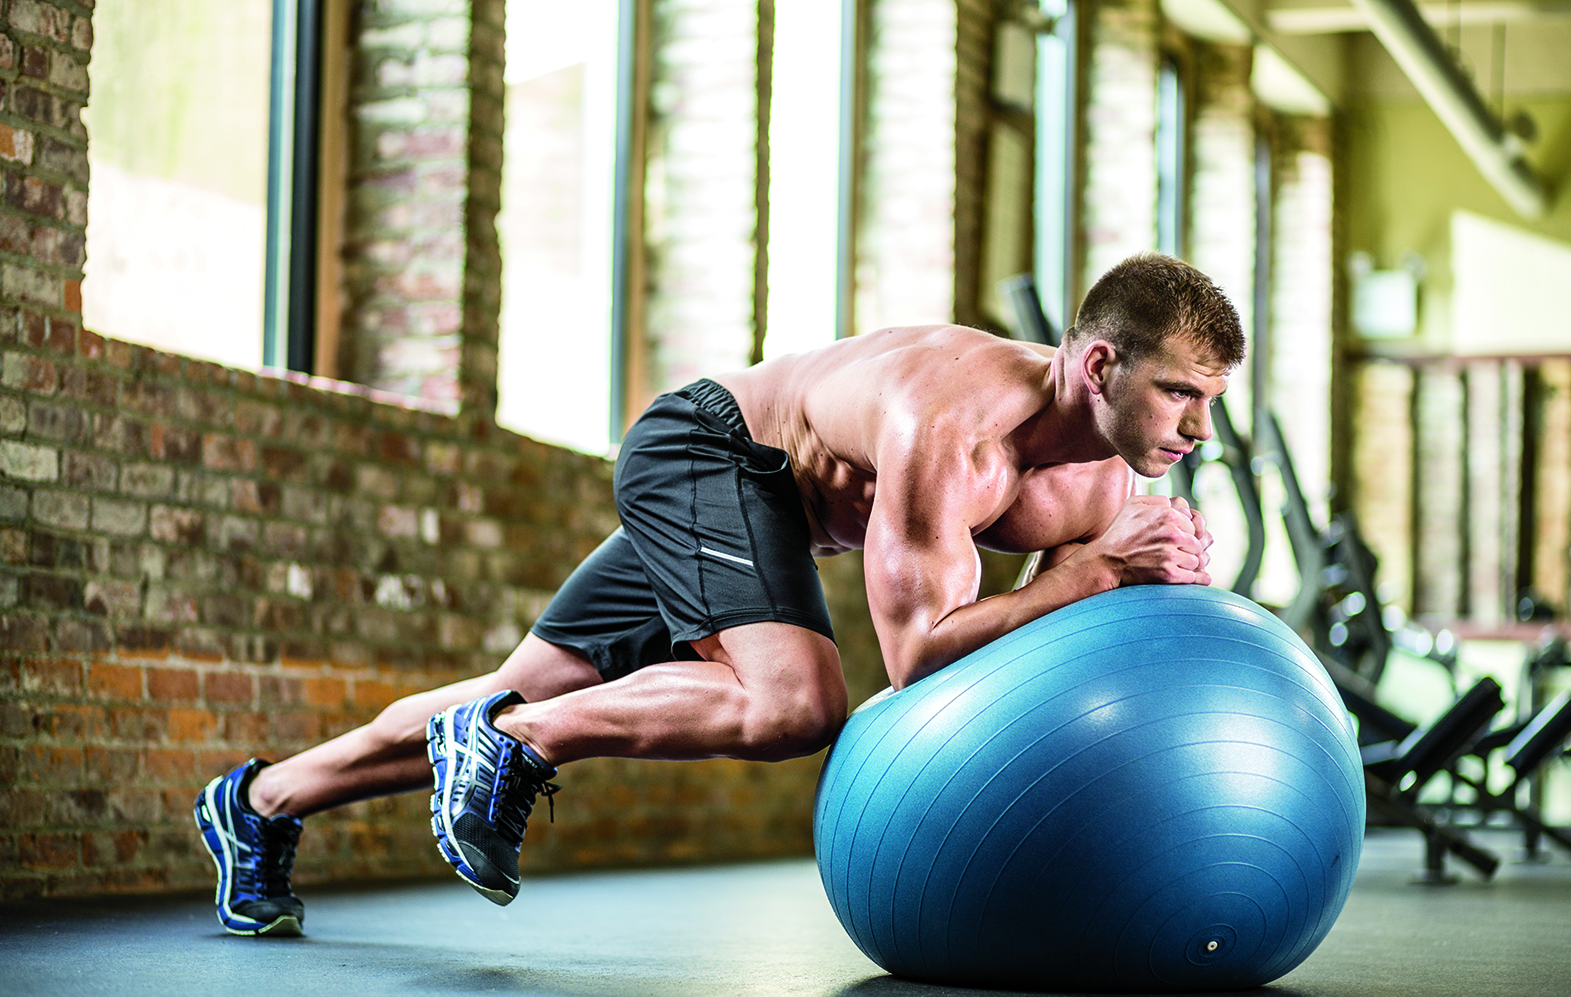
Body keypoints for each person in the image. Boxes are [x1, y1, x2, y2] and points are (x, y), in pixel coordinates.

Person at [194, 252, 1244, 935]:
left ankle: (256, 802)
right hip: (706, 450)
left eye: (1212, 402)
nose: (1197, 429)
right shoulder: (949, 423)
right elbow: (920, 654)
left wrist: (1123, 574)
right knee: (795, 702)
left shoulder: (1105, 480)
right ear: (1099, 362)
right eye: (1180, 393)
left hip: (767, 522)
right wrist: (1089, 574)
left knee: (520, 683)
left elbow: (1040, 647)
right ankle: (515, 740)